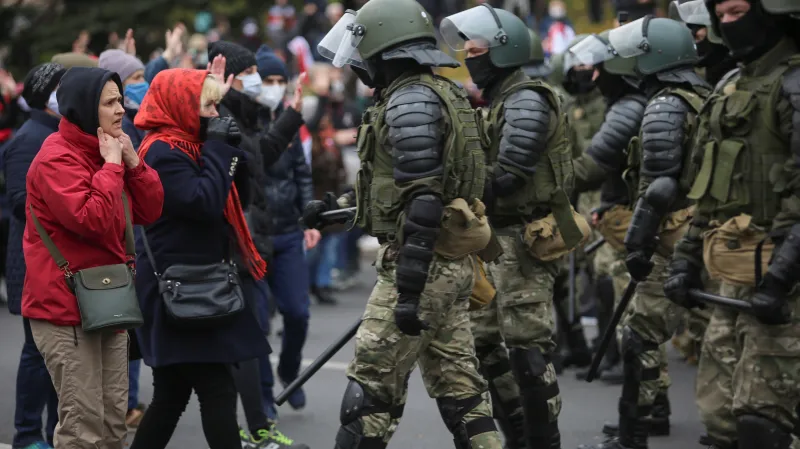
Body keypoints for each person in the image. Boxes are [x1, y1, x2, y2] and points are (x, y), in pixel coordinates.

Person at [305, 0, 505, 448]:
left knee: (370, 395)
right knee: (463, 390)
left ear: (384, 47)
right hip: (451, 266)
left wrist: (410, 288)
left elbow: (424, 197)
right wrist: (333, 208)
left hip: (420, 266)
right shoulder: (439, 92)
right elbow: (401, 185)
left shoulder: (409, 99)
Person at [441, 4, 589, 449]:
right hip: (492, 242)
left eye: (477, 49)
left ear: (504, 51)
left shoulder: (526, 98)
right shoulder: (499, 100)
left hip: (525, 241)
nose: (470, 57)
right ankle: (521, 437)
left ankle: (544, 442)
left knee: (527, 351)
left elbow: (509, 175)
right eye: (466, 50)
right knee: (486, 347)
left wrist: (449, 182)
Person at [570, 16, 710, 449]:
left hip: (671, 236)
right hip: (706, 233)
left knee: (642, 334)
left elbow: (657, 186)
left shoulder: (666, 104)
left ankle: (636, 433)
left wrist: (637, 242)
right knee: (714, 334)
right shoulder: (704, 96)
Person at [665, 1, 800, 448]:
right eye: (719, 13)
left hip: (784, 280)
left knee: (764, 419)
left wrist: (781, 275)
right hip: (731, 278)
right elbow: (710, 189)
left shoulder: (793, 83)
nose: (725, 24)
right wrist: (685, 260)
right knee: (720, 418)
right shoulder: (730, 86)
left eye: (737, 10)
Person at [128, 67, 272, 449]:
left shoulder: (188, 145)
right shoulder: (162, 151)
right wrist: (219, 150)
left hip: (195, 282)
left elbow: (238, 192)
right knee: (216, 389)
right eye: (206, 105)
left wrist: (232, 150)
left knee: (172, 395)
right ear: (180, 106)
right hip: (178, 287)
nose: (213, 114)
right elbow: (205, 202)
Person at [23, 66, 164, 449]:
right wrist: (112, 166)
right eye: (110, 102)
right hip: (64, 309)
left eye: (121, 100)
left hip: (108, 301)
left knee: (113, 423)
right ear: (85, 108)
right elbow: (93, 220)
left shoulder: (112, 148)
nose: (121, 109)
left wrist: (133, 163)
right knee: (83, 429)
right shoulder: (56, 158)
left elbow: (151, 211)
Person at [205, 41, 309, 449]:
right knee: (242, 344)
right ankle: (259, 430)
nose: (259, 82)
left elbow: (258, 157)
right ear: (230, 77)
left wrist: (291, 117)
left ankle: (256, 432)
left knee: (241, 345)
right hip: (234, 249)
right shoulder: (221, 118)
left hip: (251, 244)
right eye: (250, 73)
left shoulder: (243, 116)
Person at [4, 62, 65, 449]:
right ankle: (28, 435)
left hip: (57, 262)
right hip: (35, 264)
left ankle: (56, 432)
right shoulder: (28, 140)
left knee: (60, 354)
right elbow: (21, 202)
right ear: (47, 96)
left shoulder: (59, 134)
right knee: (39, 353)